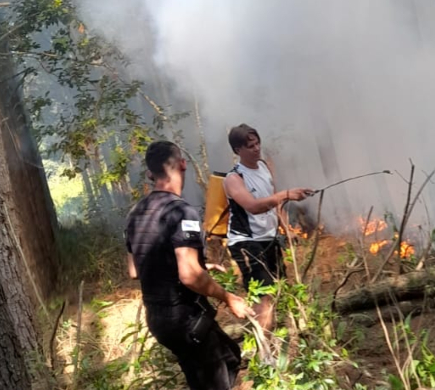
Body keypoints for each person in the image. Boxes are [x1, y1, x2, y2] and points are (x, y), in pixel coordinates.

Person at [125, 141, 253, 390]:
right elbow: (190, 276)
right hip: (184, 317)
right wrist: (229, 298)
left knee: (227, 356)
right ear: (183, 164)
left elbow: (135, 270)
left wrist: (200, 265)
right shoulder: (182, 211)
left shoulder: (135, 213)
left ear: (151, 173)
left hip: (157, 319)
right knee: (219, 374)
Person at [223, 123, 314, 331]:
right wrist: (286, 194)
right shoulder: (234, 178)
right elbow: (253, 206)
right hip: (247, 242)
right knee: (263, 298)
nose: (256, 149)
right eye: (250, 146)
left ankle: (280, 340)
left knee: (280, 289)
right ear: (238, 150)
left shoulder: (264, 167)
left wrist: (286, 228)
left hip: (269, 239)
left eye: (258, 143)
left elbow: (274, 202)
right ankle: (265, 346)